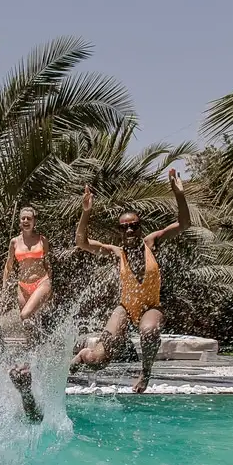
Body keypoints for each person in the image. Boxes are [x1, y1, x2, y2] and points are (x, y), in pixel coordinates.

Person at [70, 168, 190, 393]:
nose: (130, 229)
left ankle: (145, 372)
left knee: (149, 330)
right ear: (119, 231)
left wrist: (179, 195)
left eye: (134, 225)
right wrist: (86, 213)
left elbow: (183, 224)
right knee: (98, 360)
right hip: (125, 309)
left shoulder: (151, 243)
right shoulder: (117, 252)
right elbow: (82, 242)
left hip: (151, 308)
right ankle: (80, 357)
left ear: (140, 226)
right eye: (125, 227)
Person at [2, 207, 53, 328]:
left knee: (24, 314)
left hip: (41, 282)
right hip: (23, 286)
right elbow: (8, 265)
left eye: (29, 218)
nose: (26, 220)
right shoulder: (14, 242)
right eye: (23, 218)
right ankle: (39, 346)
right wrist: (4, 287)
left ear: (34, 222)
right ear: (19, 222)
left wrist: (50, 287)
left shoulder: (42, 240)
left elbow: (47, 263)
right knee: (28, 325)